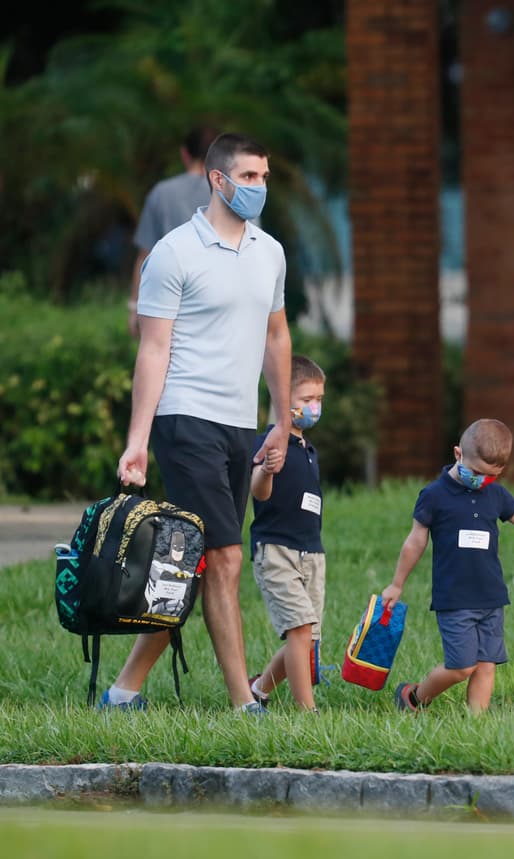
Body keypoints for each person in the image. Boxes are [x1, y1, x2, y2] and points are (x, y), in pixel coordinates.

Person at [106, 132, 292, 713]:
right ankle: (244, 703)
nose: (259, 187)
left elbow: (276, 336)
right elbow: (153, 350)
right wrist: (138, 441)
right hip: (185, 418)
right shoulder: (173, 252)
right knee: (227, 558)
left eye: (264, 177)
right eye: (250, 177)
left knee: (191, 560)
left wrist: (281, 421)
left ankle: (123, 690)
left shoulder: (270, 252)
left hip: (240, 423)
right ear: (218, 179)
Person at [380, 419, 514, 715]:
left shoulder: (496, 495)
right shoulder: (434, 495)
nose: (480, 480)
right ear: (457, 454)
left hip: (491, 597)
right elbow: (415, 542)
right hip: (455, 599)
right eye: (475, 472)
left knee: (486, 666)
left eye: (490, 476)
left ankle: (476, 724)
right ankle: (413, 697)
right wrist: (397, 584)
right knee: (462, 666)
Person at [246, 355, 327, 713]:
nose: (314, 407)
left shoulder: (308, 450)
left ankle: (260, 689)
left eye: (319, 400)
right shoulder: (271, 443)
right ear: (281, 398)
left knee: (305, 637)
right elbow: (258, 493)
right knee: (299, 631)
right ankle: (307, 712)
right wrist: (266, 469)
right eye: (306, 399)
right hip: (277, 550)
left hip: (311, 551)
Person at [128, 126, 221, 339]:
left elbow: (144, 256)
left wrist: (134, 307)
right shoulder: (232, 193)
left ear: (185, 154)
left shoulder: (162, 192)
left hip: (169, 308)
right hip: (220, 309)